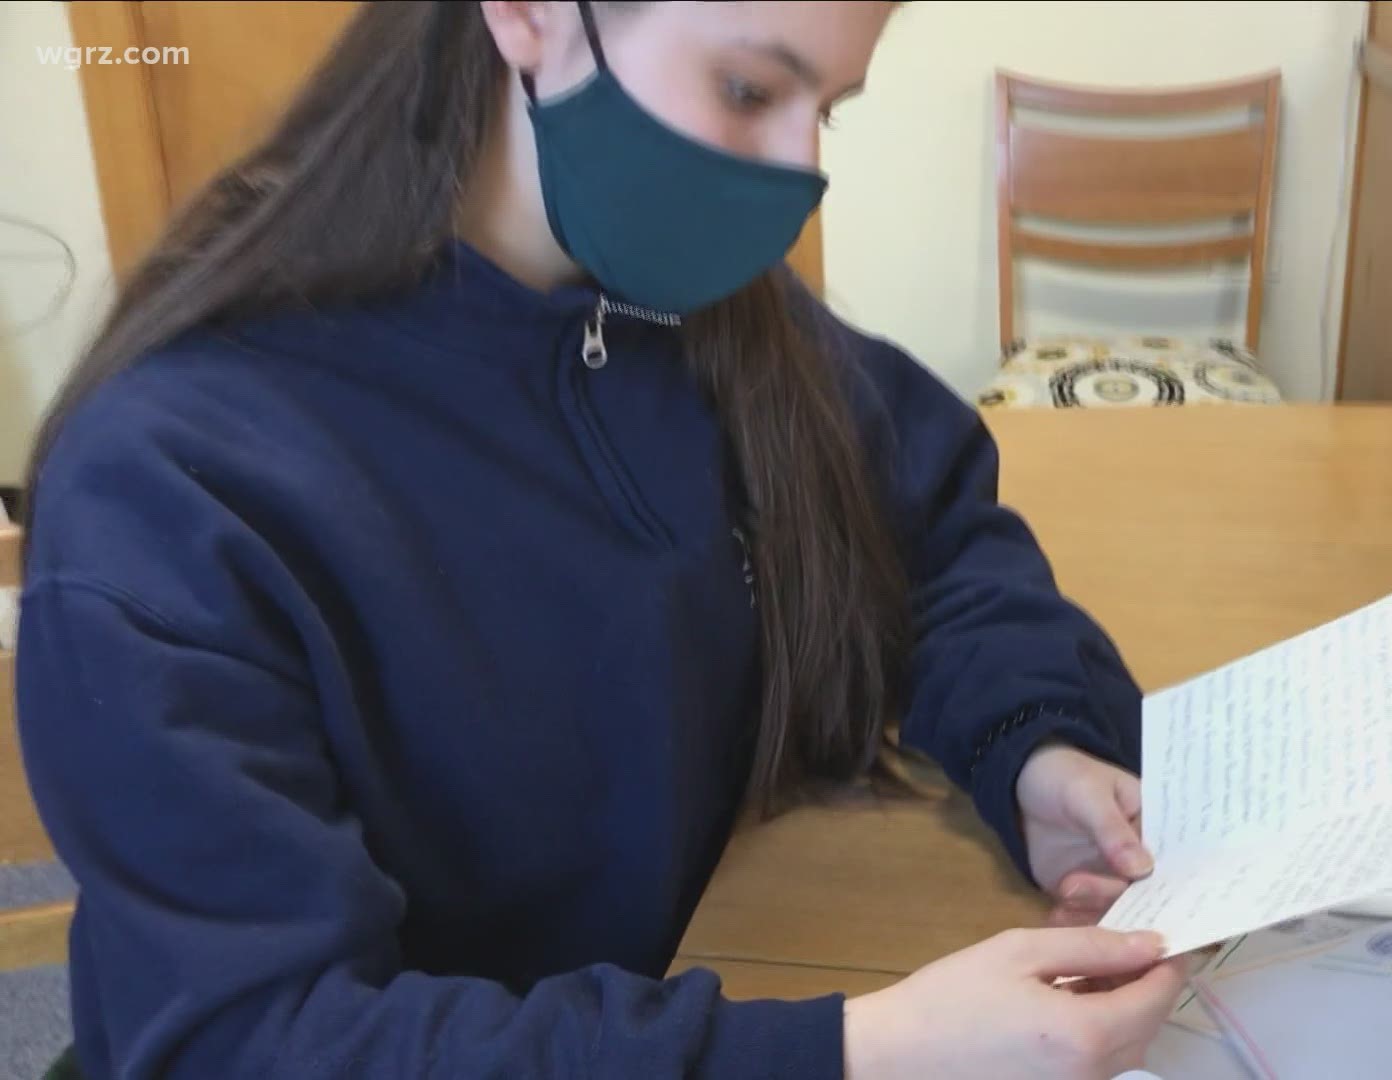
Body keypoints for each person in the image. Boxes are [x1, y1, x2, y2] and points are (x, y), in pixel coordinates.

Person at [14, 2, 1187, 1077]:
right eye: (746, 90)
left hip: (703, 984)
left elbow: (933, 528)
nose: (799, 169)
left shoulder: (706, 316)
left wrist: (1032, 743)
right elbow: (260, 1041)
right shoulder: (172, 486)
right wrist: (856, 1053)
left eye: (825, 110)